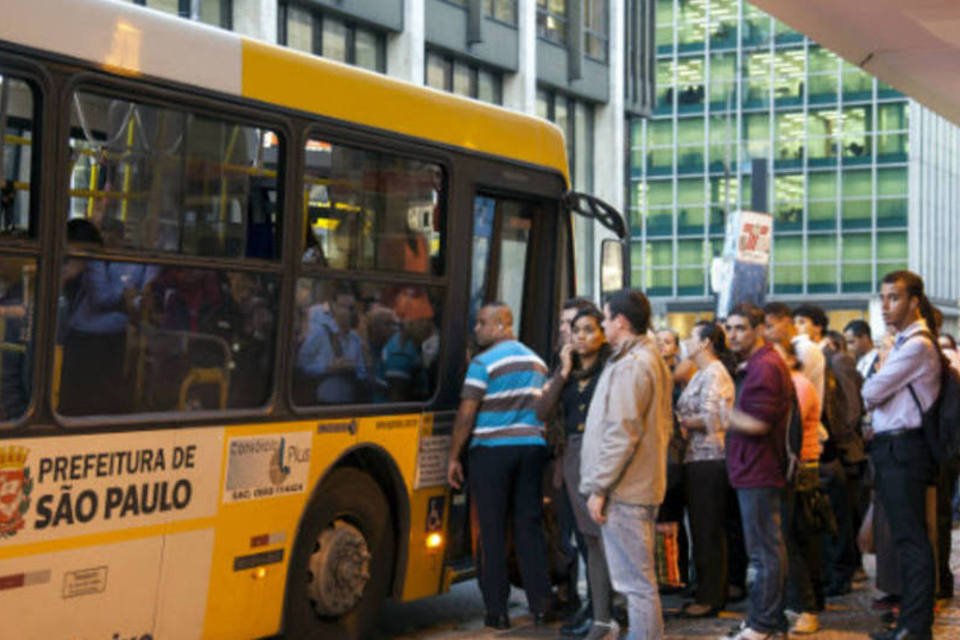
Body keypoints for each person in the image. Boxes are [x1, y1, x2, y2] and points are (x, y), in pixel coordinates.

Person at [445, 302, 553, 630]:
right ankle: (541, 605)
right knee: (528, 528)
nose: (476, 329)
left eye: (482, 323)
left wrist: (453, 456)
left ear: (502, 325)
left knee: (491, 532)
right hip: (532, 449)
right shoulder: (537, 362)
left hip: (491, 452)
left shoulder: (482, 363)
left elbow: (467, 412)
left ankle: (497, 611)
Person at [580, 289, 673, 640]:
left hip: (626, 489)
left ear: (620, 321)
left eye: (605, 318)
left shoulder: (635, 363)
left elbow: (622, 432)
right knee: (640, 582)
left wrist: (600, 487)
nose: (603, 325)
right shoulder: (643, 358)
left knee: (636, 584)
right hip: (637, 485)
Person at [862, 270, 941, 640]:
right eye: (883, 298)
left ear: (913, 300)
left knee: (911, 540)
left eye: (893, 297)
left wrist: (880, 370)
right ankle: (909, 622)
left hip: (904, 447)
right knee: (906, 539)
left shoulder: (916, 345)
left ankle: (915, 626)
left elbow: (872, 391)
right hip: (894, 446)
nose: (886, 306)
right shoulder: (903, 342)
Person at [536, 305, 616, 639]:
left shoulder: (611, 369)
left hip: (602, 453)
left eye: (588, 329)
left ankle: (610, 612)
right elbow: (542, 410)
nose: (580, 336)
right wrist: (564, 371)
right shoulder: (566, 370)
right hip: (571, 455)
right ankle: (600, 615)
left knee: (608, 537)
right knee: (588, 538)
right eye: (575, 330)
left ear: (603, 332)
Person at [724, 302, 792, 640]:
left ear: (759, 329)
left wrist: (724, 414)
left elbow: (759, 422)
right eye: (730, 328)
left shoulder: (765, 367)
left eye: (740, 328)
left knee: (765, 553)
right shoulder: (757, 365)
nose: (733, 334)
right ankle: (769, 620)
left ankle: (763, 625)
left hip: (760, 469)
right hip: (753, 468)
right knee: (766, 551)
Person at [675, 321, 735, 618]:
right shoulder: (701, 373)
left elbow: (715, 417)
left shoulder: (714, 372)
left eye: (691, 336)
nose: (686, 341)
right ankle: (708, 590)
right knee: (702, 528)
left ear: (706, 343)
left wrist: (682, 422)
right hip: (696, 458)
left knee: (708, 529)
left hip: (709, 459)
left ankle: (711, 596)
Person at [780, 342, 825, 635]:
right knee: (797, 539)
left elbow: (788, 430)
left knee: (792, 540)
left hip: (800, 469)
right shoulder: (795, 384)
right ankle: (806, 604)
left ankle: (806, 607)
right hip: (800, 468)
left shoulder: (798, 385)